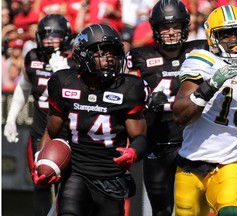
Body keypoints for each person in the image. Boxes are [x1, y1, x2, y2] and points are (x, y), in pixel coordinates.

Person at [31, 24, 150, 216]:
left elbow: (141, 137)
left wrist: (134, 152)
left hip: (112, 177)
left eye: (113, 52)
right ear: (84, 55)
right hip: (76, 173)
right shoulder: (64, 83)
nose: (110, 58)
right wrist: (40, 163)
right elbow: (51, 132)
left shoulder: (128, 88)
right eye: (102, 53)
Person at [173, 5, 237, 216]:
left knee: (231, 211)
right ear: (212, 37)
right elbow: (180, 115)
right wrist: (211, 84)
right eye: (225, 34)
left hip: (231, 162)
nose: (233, 39)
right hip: (191, 162)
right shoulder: (201, 61)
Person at [127, 0, 208, 215]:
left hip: (192, 144)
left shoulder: (201, 50)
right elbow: (120, 93)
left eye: (176, 26)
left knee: (193, 209)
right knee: (161, 211)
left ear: (185, 27)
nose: (171, 31)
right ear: (155, 29)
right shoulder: (140, 56)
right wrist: (144, 102)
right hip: (157, 144)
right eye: (165, 26)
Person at [3, 14, 74, 216]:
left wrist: (64, 76)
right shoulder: (33, 57)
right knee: (40, 183)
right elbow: (24, 87)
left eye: (56, 36)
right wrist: (10, 119)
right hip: (39, 132)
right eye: (46, 36)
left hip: (67, 134)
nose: (50, 40)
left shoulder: (74, 62)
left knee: (67, 189)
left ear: (66, 37)